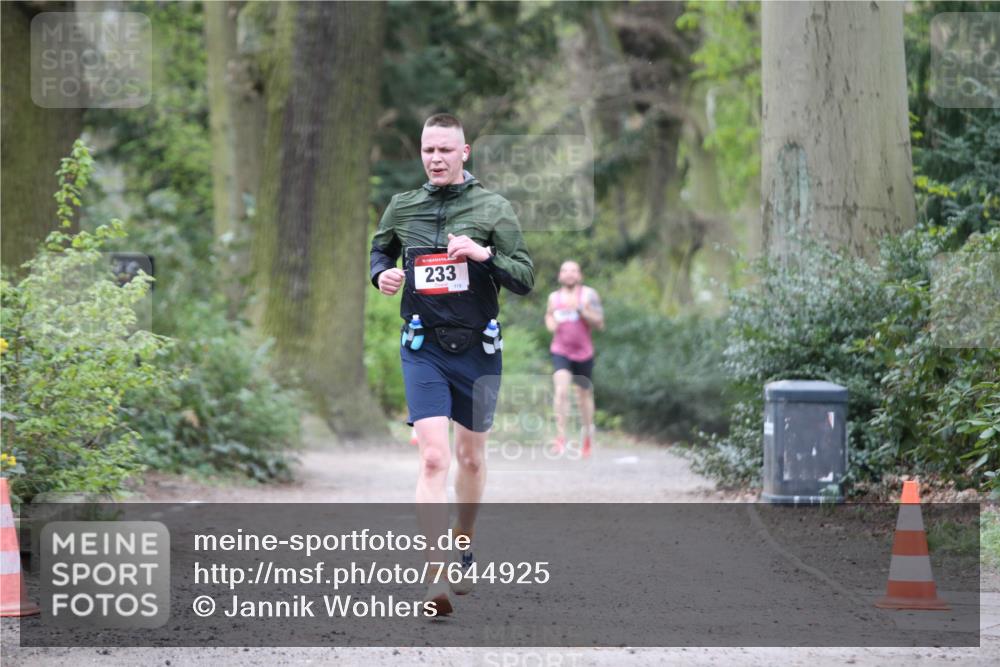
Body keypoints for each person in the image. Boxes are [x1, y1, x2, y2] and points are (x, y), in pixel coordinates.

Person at [369, 113, 534, 616]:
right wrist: (381, 276)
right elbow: (379, 252)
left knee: (471, 459)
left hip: (479, 349)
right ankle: (435, 573)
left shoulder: (493, 207)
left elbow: (524, 276)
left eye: (445, 150)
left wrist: (484, 255)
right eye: (428, 150)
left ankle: (464, 537)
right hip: (423, 346)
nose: (435, 158)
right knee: (433, 458)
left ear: (465, 153)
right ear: (420, 154)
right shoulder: (403, 207)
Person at [545, 260, 603, 458]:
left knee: (583, 396)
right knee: (561, 391)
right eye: (565, 270)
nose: (569, 274)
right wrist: (551, 323)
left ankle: (587, 435)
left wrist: (581, 310)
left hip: (584, 352)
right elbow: (549, 317)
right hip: (561, 350)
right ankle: (561, 437)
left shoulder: (588, 295)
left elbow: (599, 323)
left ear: (579, 276)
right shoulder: (554, 297)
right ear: (560, 276)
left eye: (573, 271)